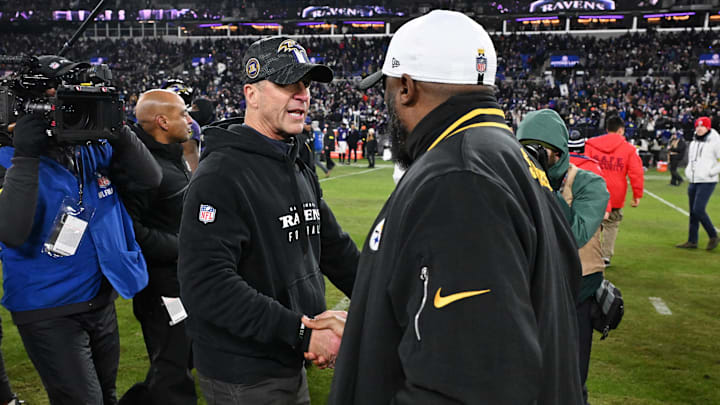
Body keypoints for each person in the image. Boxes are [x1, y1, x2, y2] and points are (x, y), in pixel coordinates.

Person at [313, 11, 583, 404]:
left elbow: (471, 380)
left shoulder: (457, 177)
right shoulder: (508, 156)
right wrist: (372, 327)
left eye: (386, 88)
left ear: (406, 87)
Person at [177, 37, 359, 404]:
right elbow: (206, 285)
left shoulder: (295, 158)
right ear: (252, 94)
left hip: (285, 358)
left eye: (305, 85)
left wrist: (385, 301)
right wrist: (301, 332)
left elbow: (333, 247)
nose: (302, 94)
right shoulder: (221, 175)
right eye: (286, 84)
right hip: (245, 372)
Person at [0, 55, 161, 405]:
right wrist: (24, 156)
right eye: (58, 98)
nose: (69, 107)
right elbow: (11, 231)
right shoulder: (6, 157)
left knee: (107, 396)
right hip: (47, 307)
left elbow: (151, 179)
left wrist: (117, 128)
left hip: (100, 300)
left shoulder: (89, 145)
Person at [517, 109, 610, 405]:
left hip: (576, 295)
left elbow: (574, 234)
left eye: (539, 150)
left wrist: (541, 184)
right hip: (527, 294)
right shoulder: (516, 180)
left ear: (558, 152)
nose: (531, 157)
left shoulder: (589, 184)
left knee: (570, 379)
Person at [118, 90, 196, 405]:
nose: (189, 120)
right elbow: (129, 230)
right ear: (162, 121)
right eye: (183, 114)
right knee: (172, 370)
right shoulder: (139, 167)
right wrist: (184, 246)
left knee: (180, 359)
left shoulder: (170, 155)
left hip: (181, 278)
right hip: (160, 286)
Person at [585, 115, 644, 267]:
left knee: (592, 225)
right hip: (616, 194)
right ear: (621, 130)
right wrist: (637, 195)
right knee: (612, 225)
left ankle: (590, 254)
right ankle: (605, 256)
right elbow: (636, 173)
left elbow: (583, 167)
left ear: (607, 129)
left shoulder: (591, 145)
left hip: (594, 191)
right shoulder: (629, 149)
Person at [676, 116, 720, 250]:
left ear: (708, 127)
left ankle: (713, 235)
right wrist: (689, 172)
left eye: (702, 126)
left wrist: (712, 172)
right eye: (698, 126)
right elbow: (692, 161)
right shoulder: (694, 142)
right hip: (694, 179)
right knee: (693, 212)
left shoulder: (715, 141)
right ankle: (692, 240)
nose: (700, 129)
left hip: (707, 180)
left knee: (698, 209)